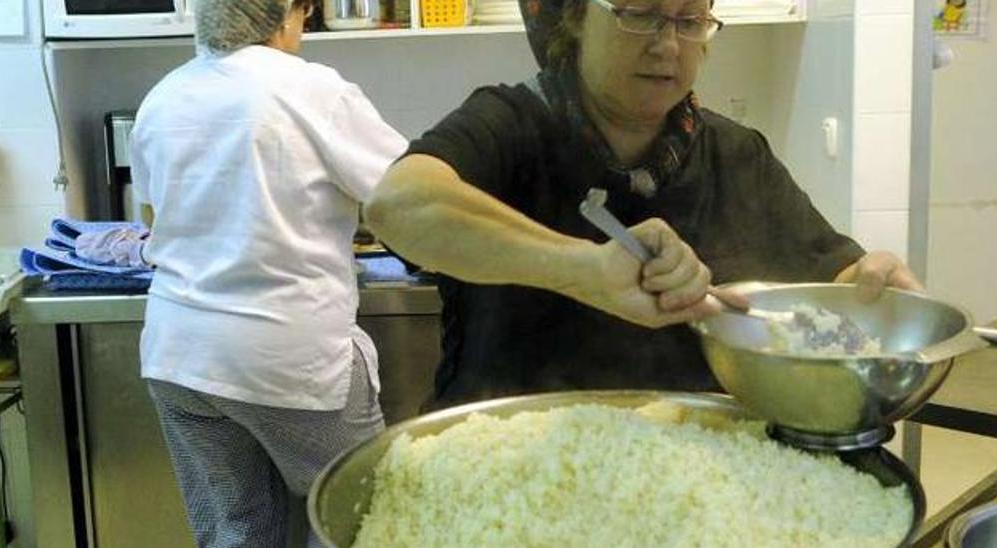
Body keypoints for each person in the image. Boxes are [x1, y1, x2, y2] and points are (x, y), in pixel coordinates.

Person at [366, 0, 922, 410]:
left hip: (685, 470)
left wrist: (870, 289)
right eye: (640, 13)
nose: (667, 45)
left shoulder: (736, 154)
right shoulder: (511, 124)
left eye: (689, 21)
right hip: (506, 467)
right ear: (576, 17)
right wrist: (584, 270)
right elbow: (397, 205)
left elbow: (828, 281)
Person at [129, 0, 408, 545]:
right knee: (362, 523)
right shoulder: (310, 88)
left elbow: (152, 219)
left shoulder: (162, 97)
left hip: (180, 356)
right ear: (287, 13)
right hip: (286, 357)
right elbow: (407, 197)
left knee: (236, 534)